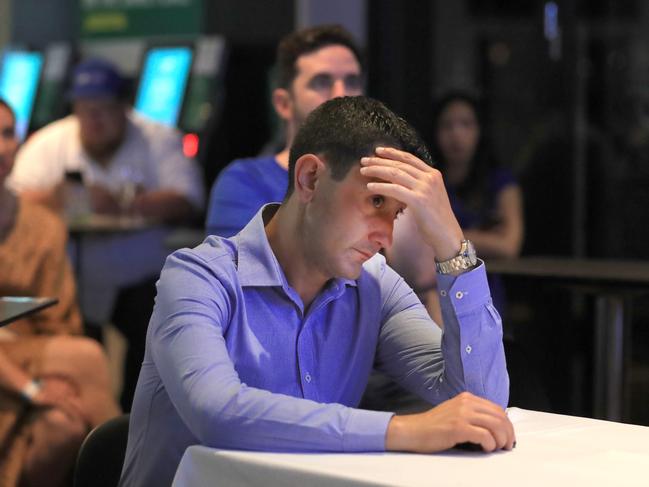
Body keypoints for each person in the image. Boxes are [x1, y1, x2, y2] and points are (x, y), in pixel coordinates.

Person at [119, 96, 515, 487]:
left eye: (395, 214)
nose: (386, 236)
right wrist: (406, 430)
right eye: (374, 200)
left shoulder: (374, 284)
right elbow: (218, 412)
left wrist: (452, 246)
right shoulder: (198, 276)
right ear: (310, 178)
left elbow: (482, 406)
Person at [7, 58, 205, 410]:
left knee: (152, 335)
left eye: (104, 109)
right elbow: (14, 197)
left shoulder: (157, 138)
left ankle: (134, 416)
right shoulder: (51, 141)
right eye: (86, 109)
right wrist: (56, 197)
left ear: (124, 108)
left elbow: (188, 198)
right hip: (71, 277)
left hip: (141, 276)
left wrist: (130, 204)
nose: (94, 120)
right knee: (76, 340)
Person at [0, 98, 120, 486]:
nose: (1, 147)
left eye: (6, 134)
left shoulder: (44, 224)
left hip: (40, 353)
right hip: (17, 369)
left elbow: (60, 317)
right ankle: (136, 472)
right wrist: (32, 387)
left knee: (64, 426)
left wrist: (55, 380)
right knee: (87, 356)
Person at [205, 24, 364, 236]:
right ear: (284, 104)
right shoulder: (245, 181)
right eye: (322, 82)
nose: (341, 94)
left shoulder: (382, 177)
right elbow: (244, 266)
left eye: (352, 81)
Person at [387, 92, 524, 321]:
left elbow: (508, 245)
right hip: (432, 284)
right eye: (447, 126)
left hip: (484, 283)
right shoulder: (425, 178)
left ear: (480, 130)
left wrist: (442, 234)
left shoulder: (499, 181)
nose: (456, 134)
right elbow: (410, 237)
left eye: (466, 124)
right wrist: (480, 238)